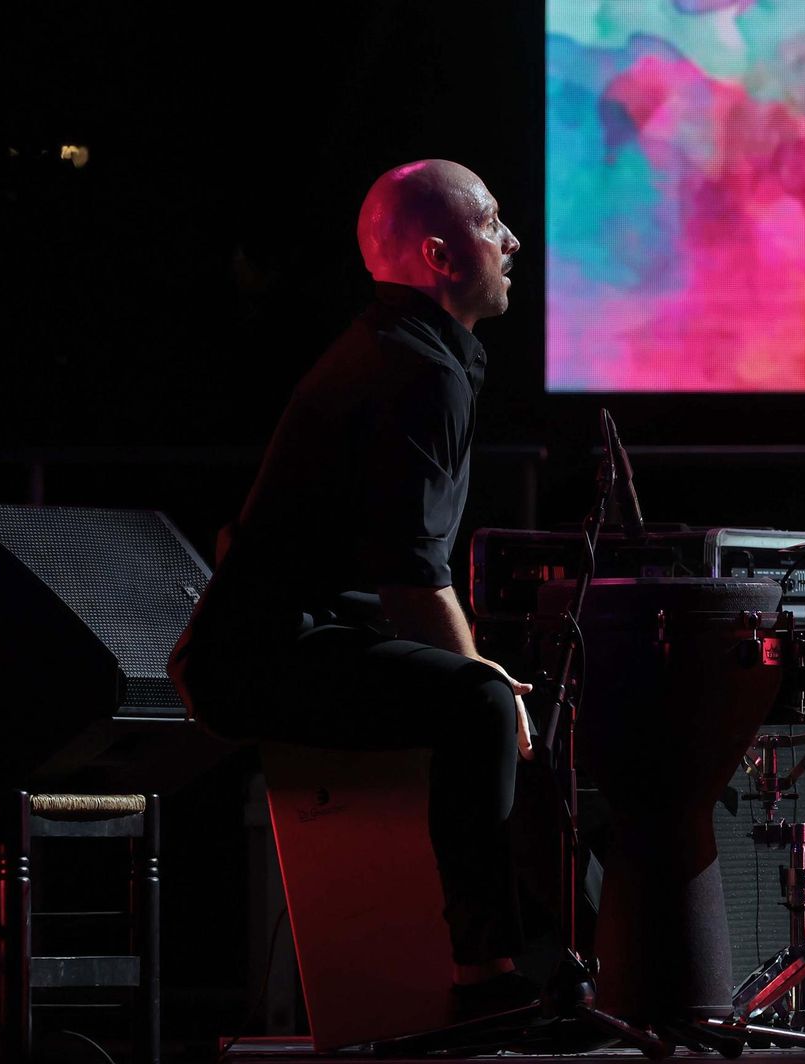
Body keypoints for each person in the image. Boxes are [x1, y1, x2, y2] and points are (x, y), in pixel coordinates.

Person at [168, 159, 540, 1019]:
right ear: (442, 256)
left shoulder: (414, 352)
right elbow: (413, 578)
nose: (512, 240)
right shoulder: (415, 371)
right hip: (260, 657)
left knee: (500, 688)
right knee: (483, 702)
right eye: (492, 223)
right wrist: (486, 681)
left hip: (310, 636)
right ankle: (487, 982)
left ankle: (565, 951)